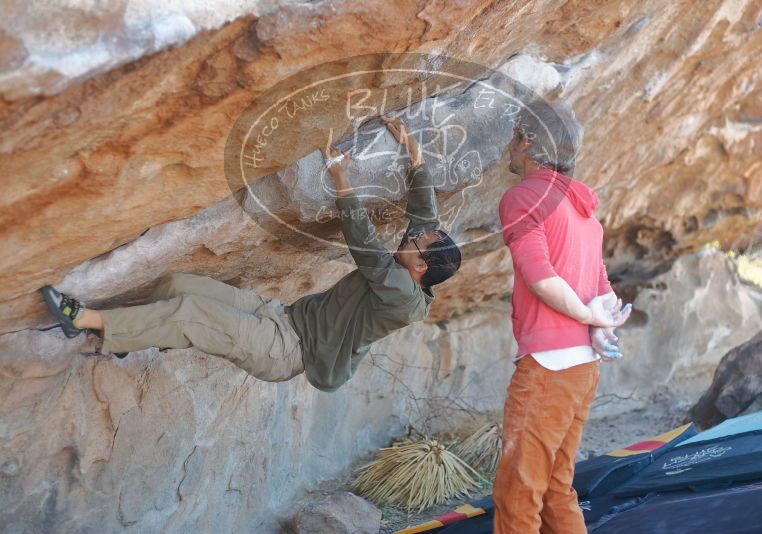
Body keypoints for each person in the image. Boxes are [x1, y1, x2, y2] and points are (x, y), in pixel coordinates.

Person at [39, 117, 461, 393]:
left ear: (421, 267)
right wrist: (416, 158)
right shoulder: (417, 265)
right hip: (281, 315)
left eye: (417, 243)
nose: (412, 237)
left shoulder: (402, 297)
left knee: (189, 313)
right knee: (175, 285)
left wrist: (341, 178)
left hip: (286, 350)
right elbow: (426, 219)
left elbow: (364, 243)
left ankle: (84, 322)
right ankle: (132, 335)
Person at [492, 101, 632, 534]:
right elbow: (602, 286)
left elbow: (540, 277)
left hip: (549, 367)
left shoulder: (523, 197)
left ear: (529, 142)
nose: (509, 148)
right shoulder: (583, 208)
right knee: (556, 489)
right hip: (582, 370)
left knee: (518, 493)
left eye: (514, 137)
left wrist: (590, 313)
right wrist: (600, 320)